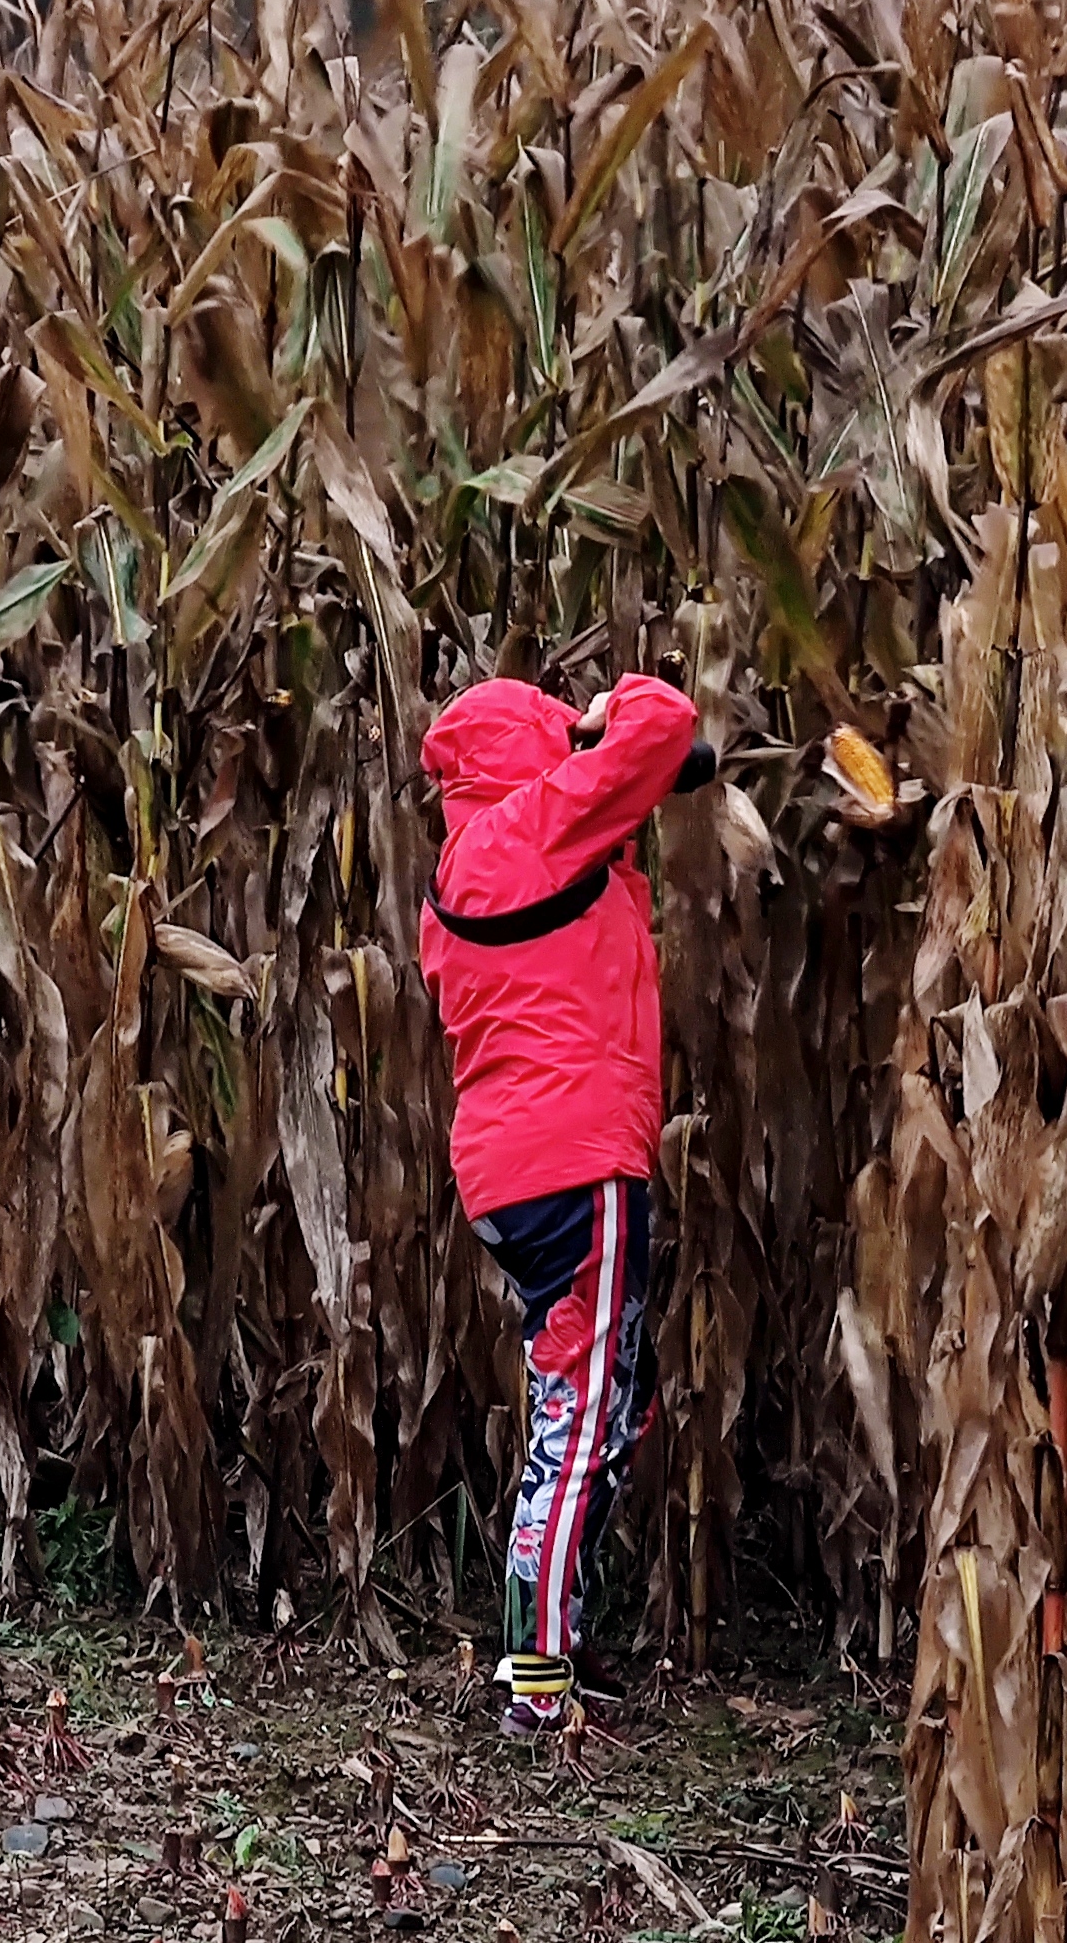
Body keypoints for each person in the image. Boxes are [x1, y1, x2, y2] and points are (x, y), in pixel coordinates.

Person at [417, 669, 711, 1734]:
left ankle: (549, 1644)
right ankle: (537, 1678)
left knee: (592, 1398)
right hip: (574, 1156)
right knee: (581, 1413)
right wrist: (604, 715)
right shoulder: (530, 829)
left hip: (512, 1166)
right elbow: (663, 720)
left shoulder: (468, 860)